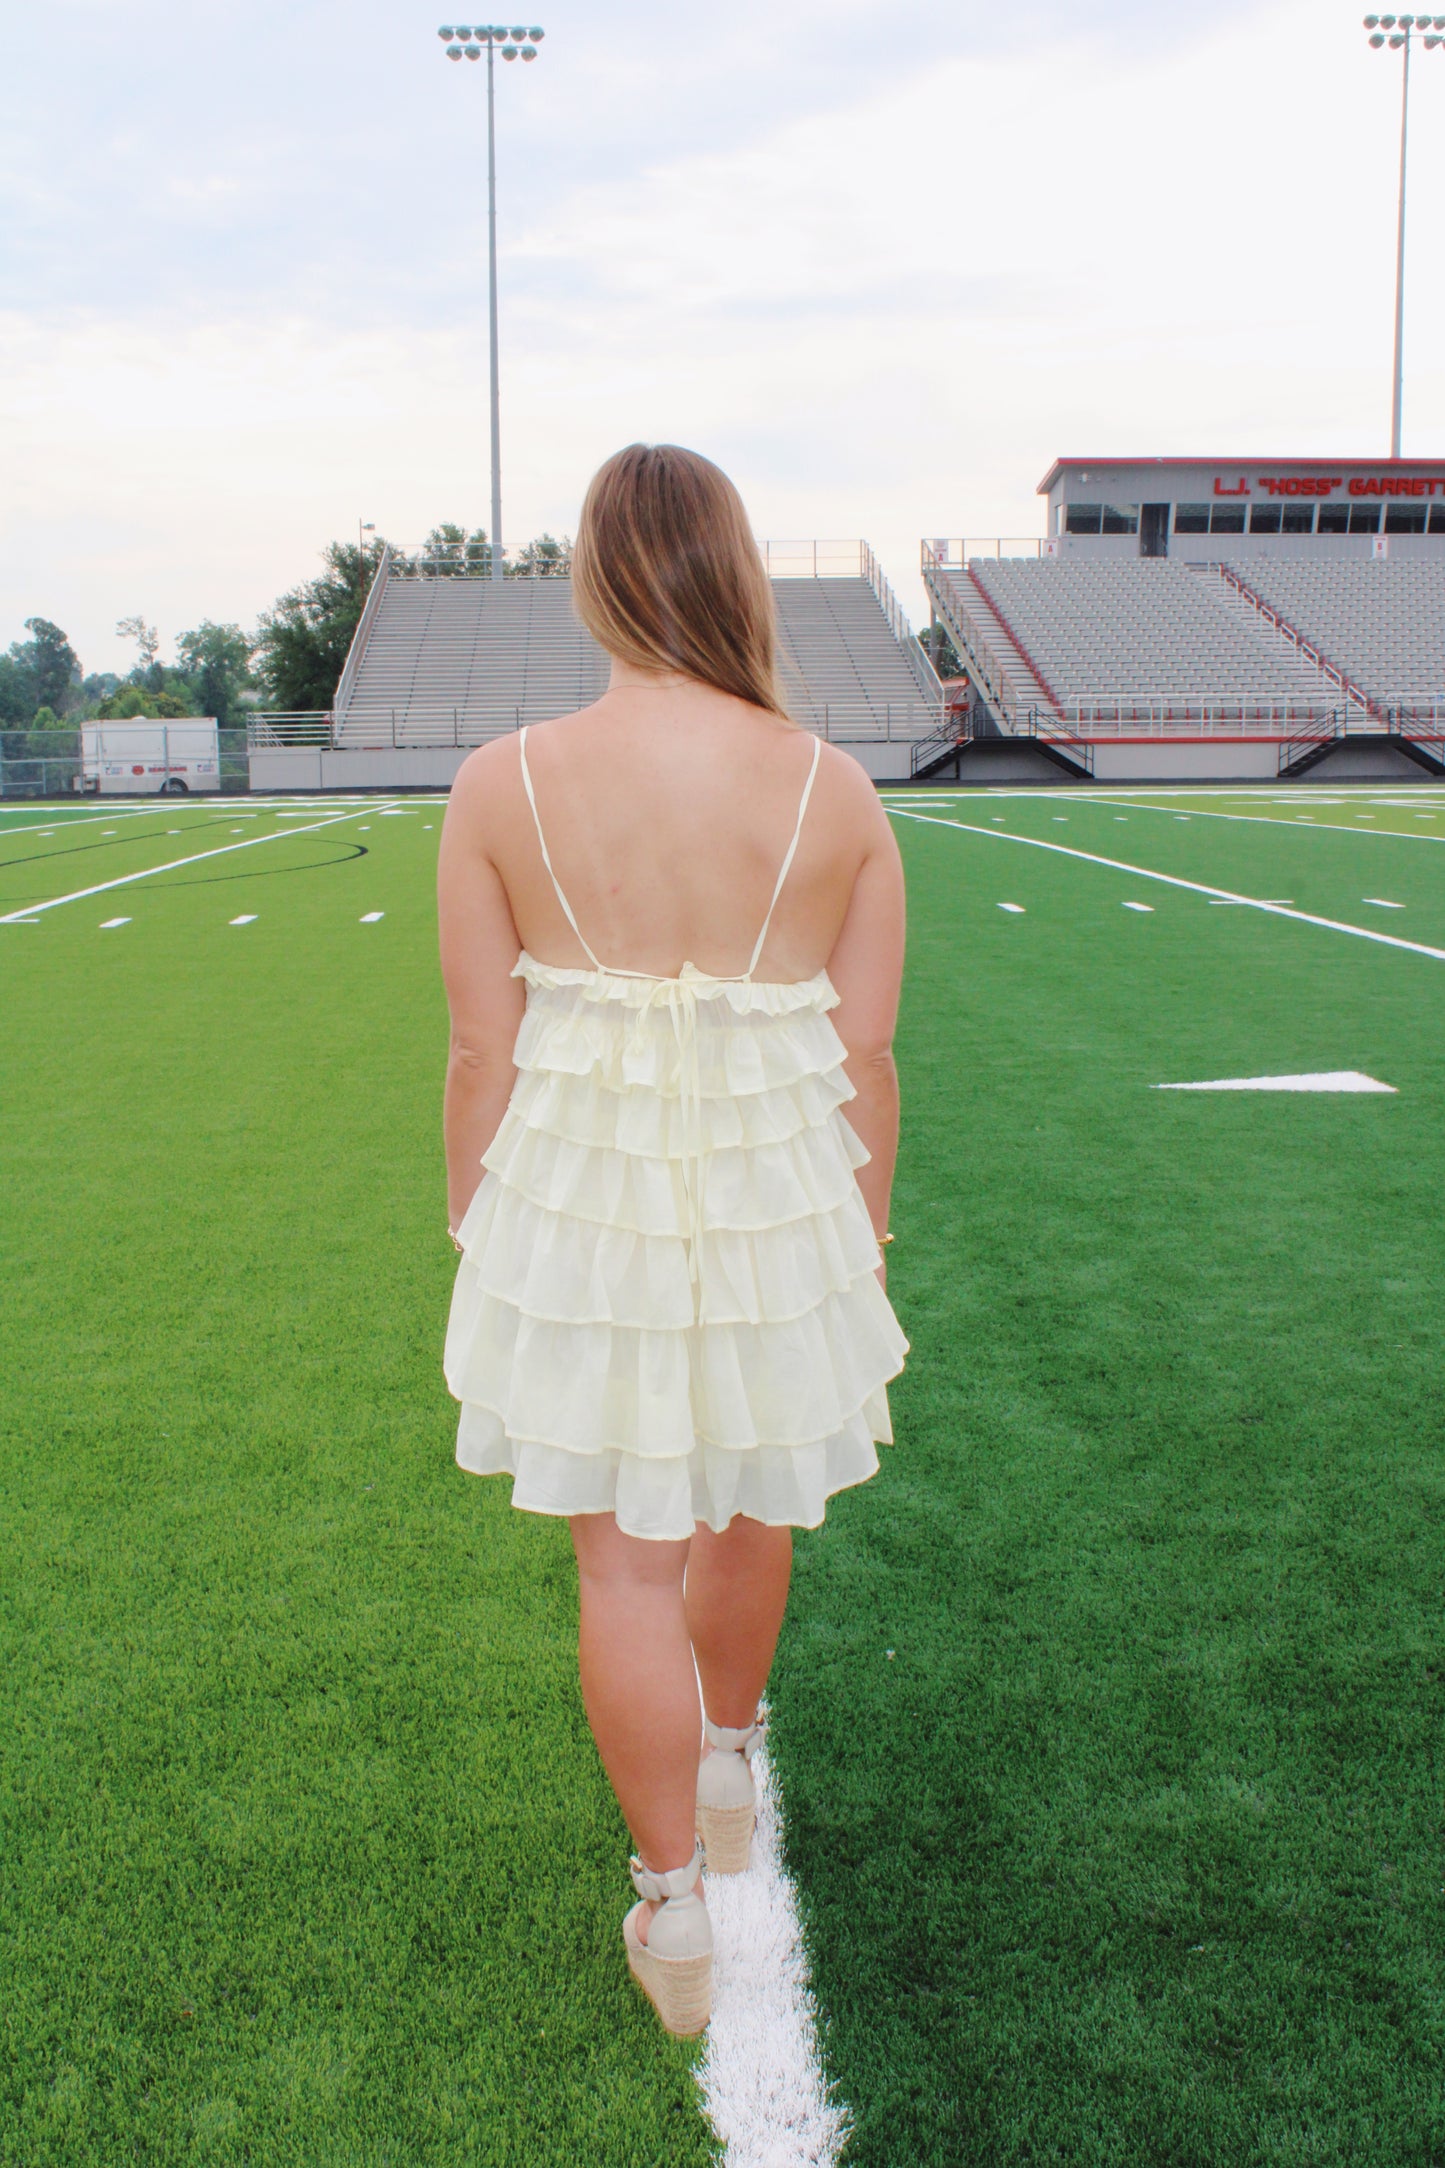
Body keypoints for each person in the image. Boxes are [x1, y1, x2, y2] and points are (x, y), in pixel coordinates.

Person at [437, 443, 907, 2036]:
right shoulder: (828, 786)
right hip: (778, 1203)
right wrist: (867, 1236)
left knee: (619, 1569)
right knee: (747, 1506)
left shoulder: (503, 781)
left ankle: (675, 1914)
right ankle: (721, 1774)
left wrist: (471, 1218)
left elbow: (478, 1050)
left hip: (585, 1212)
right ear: (734, 570)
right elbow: (867, 1055)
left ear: (594, 575)